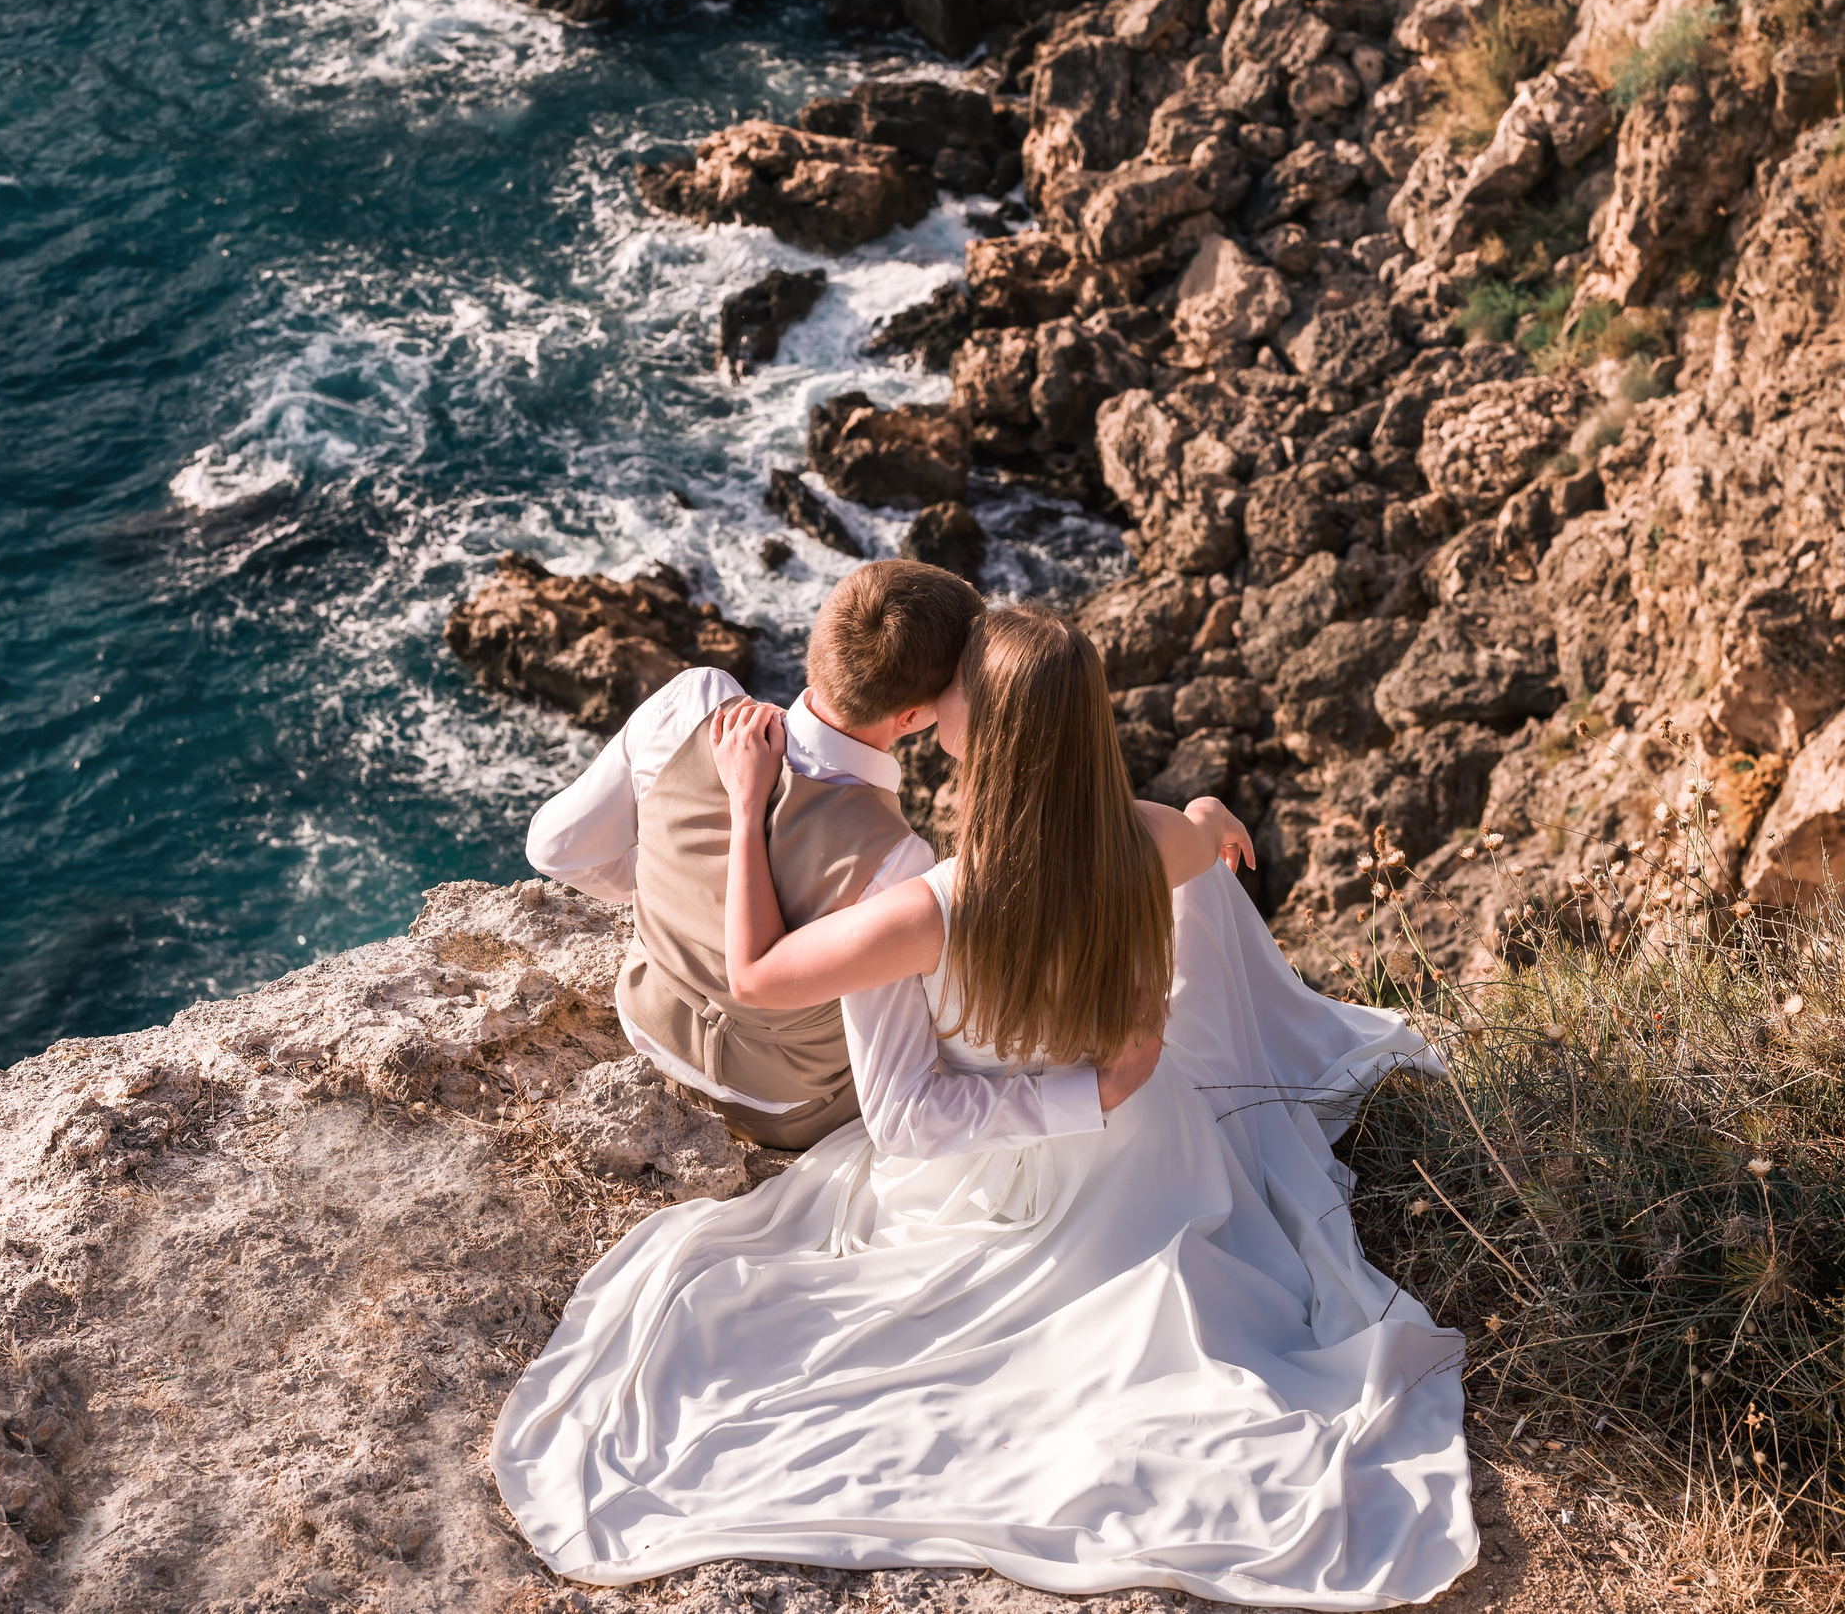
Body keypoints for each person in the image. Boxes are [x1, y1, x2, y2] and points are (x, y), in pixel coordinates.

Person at [496, 604, 1477, 1606]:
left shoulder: (924, 905)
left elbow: (778, 998)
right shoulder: (1144, 843)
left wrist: (748, 806)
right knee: (1210, 898)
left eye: (961, 686)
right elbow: (1197, 837)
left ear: (981, 736)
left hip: (994, 1173)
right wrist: (1208, 820)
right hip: (1157, 1154)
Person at [525, 559, 1158, 1154]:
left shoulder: (695, 702)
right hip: (782, 1107)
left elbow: (554, 848)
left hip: (644, 1019)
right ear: (912, 716)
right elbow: (901, 1095)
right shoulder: (899, 863)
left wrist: (671, 888)